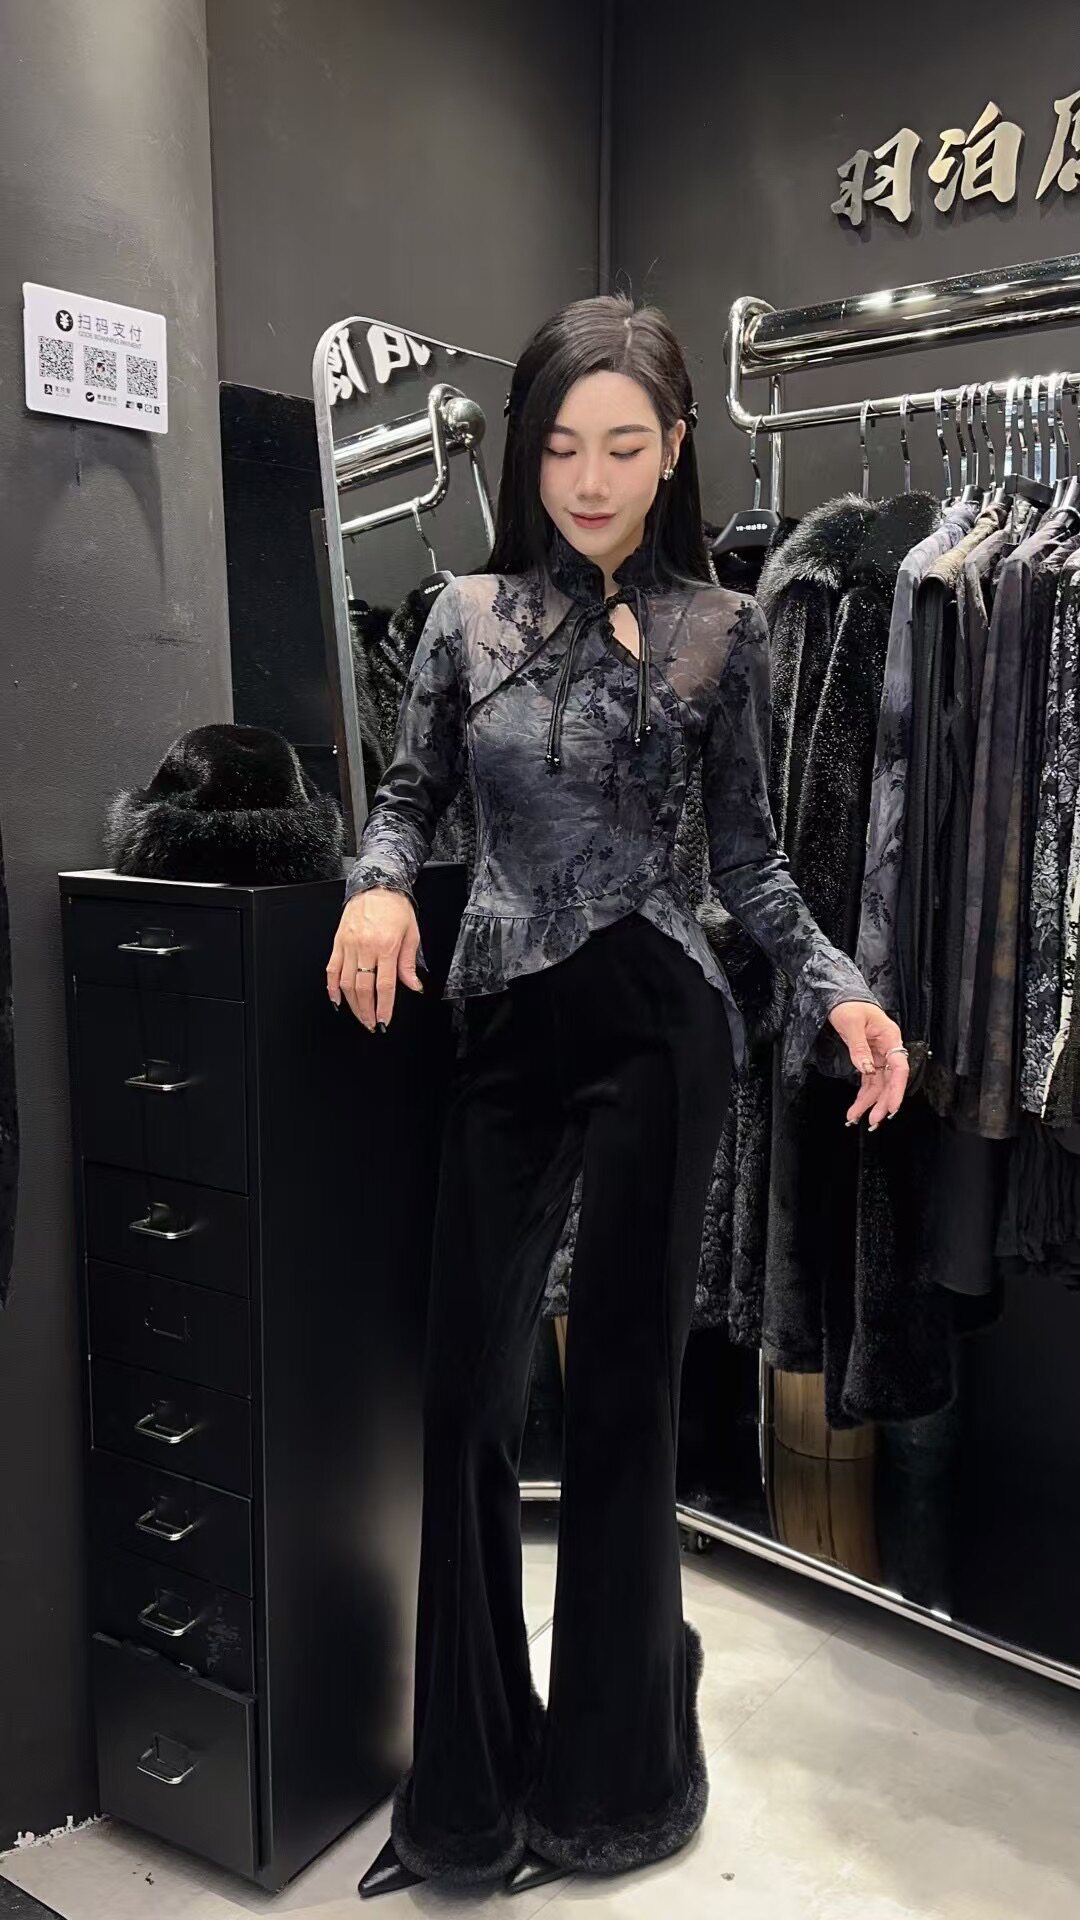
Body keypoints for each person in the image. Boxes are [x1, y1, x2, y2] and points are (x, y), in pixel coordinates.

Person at [326, 295, 910, 1899]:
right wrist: (376, 887)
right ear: (529, 453)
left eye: (625, 445)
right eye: (563, 446)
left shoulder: (728, 628)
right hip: (508, 1022)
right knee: (465, 1398)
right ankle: (459, 1798)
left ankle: (614, 1788)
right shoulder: (463, 618)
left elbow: (753, 864)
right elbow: (408, 799)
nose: (591, 478)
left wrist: (842, 986)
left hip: (665, 1025)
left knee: (623, 1406)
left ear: (672, 452)